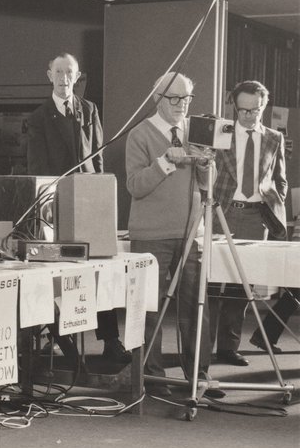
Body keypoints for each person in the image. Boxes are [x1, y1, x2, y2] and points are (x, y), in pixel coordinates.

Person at [26, 52, 128, 364]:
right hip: (56, 207)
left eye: (69, 72)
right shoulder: (38, 118)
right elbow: (37, 169)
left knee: (98, 270)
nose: (64, 78)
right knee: (60, 275)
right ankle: (64, 340)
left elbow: (97, 158)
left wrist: (99, 199)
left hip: (88, 205)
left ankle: (111, 340)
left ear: (77, 75)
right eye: (58, 72)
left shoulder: (89, 110)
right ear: (49, 75)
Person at [126, 72, 223, 399]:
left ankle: (199, 375)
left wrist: (207, 164)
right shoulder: (139, 135)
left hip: (190, 233)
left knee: (197, 305)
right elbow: (135, 186)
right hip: (151, 235)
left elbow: (208, 185)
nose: (182, 105)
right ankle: (151, 378)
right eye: (175, 99)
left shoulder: (194, 133)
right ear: (158, 98)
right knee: (149, 309)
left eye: (187, 98)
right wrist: (166, 161)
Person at [209, 80, 286, 366]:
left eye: (256, 111)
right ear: (234, 107)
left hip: (257, 218)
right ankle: (203, 349)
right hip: (223, 213)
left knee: (242, 286)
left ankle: (228, 348)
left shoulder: (273, 138)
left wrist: (275, 208)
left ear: (263, 107)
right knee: (214, 284)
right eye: (244, 111)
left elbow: (280, 179)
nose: (250, 116)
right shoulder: (221, 133)